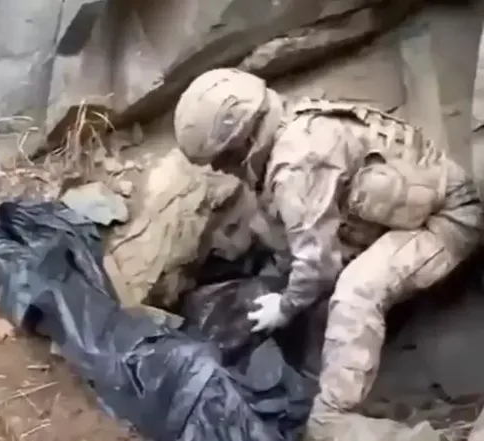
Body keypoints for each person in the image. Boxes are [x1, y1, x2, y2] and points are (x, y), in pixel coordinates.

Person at [173, 67, 484, 440]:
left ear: (244, 142)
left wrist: (285, 307)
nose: (223, 169)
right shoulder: (296, 123)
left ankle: (334, 416)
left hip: (450, 220)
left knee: (355, 292)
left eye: (223, 159)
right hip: (421, 202)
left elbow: (317, 266)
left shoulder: (296, 165)